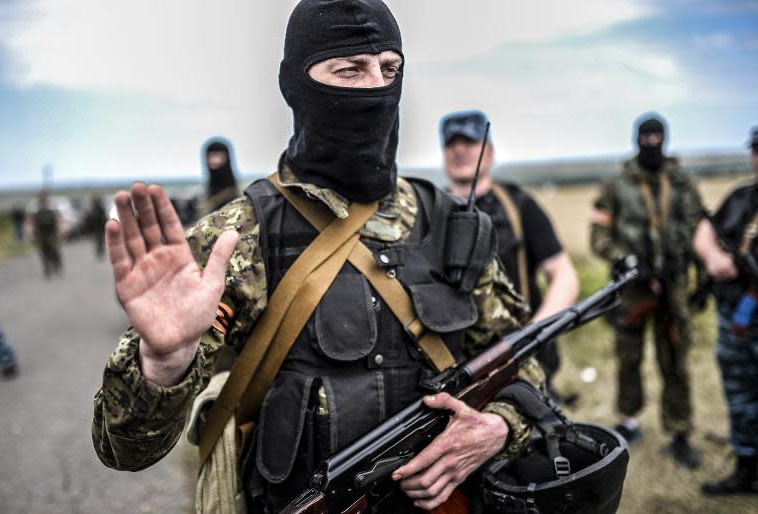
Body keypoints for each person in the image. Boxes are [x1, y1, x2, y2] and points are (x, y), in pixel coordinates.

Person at [91, 2, 543, 513]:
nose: (376, 86)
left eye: (389, 68)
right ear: (296, 86)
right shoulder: (237, 237)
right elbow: (123, 449)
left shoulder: (449, 223)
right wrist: (164, 364)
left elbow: (523, 361)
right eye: (350, 69)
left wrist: (498, 425)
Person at [590, 114, 704, 469]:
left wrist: (698, 280)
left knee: (675, 358)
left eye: (658, 136)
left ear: (665, 139)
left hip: (674, 285)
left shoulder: (683, 183)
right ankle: (627, 422)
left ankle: (680, 431)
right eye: (646, 136)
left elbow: (701, 233)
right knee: (629, 357)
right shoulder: (616, 185)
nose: (652, 143)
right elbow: (598, 238)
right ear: (636, 139)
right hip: (632, 289)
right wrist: (627, 260)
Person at [440, 110, 578, 392]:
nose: (460, 151)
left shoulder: (519, 205)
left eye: (469, 142)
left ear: (488, 152)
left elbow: (564, 275)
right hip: (455, 364)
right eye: (452, 144)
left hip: (524, 357)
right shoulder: (431, 212)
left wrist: (534, 332)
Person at [693, 126, 758, 495]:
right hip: (734, 321)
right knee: (740, 398)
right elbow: (706, 229)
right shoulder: (741, 197)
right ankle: (746, 469)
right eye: (757, 150)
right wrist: (713, 256)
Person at [197, 138, 241, 219]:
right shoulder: (203, 195)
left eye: (217, 156)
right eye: (210, 156)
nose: (213, 161)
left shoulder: (236, 195)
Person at [33, 192, 63, 278]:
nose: (43, 202)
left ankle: (57, 264)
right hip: (42, 236)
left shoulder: (51, 212)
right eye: (42, 201)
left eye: (45, 201)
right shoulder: (37, 213)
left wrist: (59, 233)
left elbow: (56, 224)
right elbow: (35, 226)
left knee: (54, 251)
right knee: (44, 253)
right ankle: (47, 269)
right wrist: (35, 236)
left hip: (51, 236)